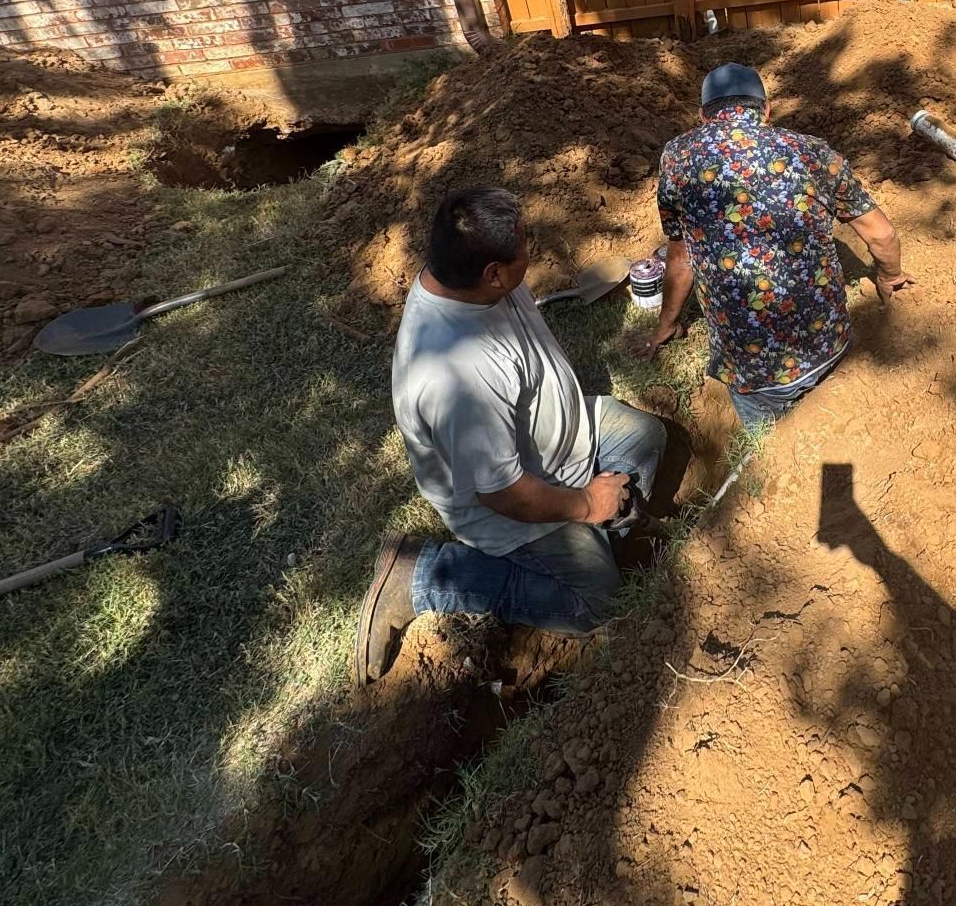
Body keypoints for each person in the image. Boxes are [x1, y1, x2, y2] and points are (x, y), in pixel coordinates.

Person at [353, 187, 667, 684]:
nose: (532, 253)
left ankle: (603, 528)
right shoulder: (456, 377)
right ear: (493, 273)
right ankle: (424, 575)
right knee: (598, 602)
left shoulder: (473, 278)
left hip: (559, 436)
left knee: (645, 438)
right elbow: (503, 493)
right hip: (513, 500)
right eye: (525, 249)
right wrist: (586, 504)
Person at [635, 63, 913, 428]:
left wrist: (666, 324)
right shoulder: (811, 152)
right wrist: (890, 276)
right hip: (831, 349)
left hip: (756, 378)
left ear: (703, 116)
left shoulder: (678, 158)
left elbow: (681, 258)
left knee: (768, 448)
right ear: (766, 110)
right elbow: (882, 234)